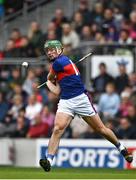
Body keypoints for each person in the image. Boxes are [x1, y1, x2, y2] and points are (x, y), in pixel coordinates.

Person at [39, 40, 133, 172]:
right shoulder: (60, 65)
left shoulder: (59, 62)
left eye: (52, 49)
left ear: (60, 49)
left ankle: (121, 148)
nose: (49, 52)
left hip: (81, 99)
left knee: (101, 129)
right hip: (66, 100)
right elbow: (58, 92)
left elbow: (50, 76)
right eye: (47, 51)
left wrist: (49, 80)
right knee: (57, 129)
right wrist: (50, 83)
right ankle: (49, 160)